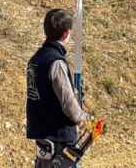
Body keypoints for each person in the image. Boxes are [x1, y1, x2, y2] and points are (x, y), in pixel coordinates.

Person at [26, 9, 89, 168]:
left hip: (43, 139)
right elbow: (68, 103)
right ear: (66, 33)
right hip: (58, 141)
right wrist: (83, 119)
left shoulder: (35, 60)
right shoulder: (56, 63)